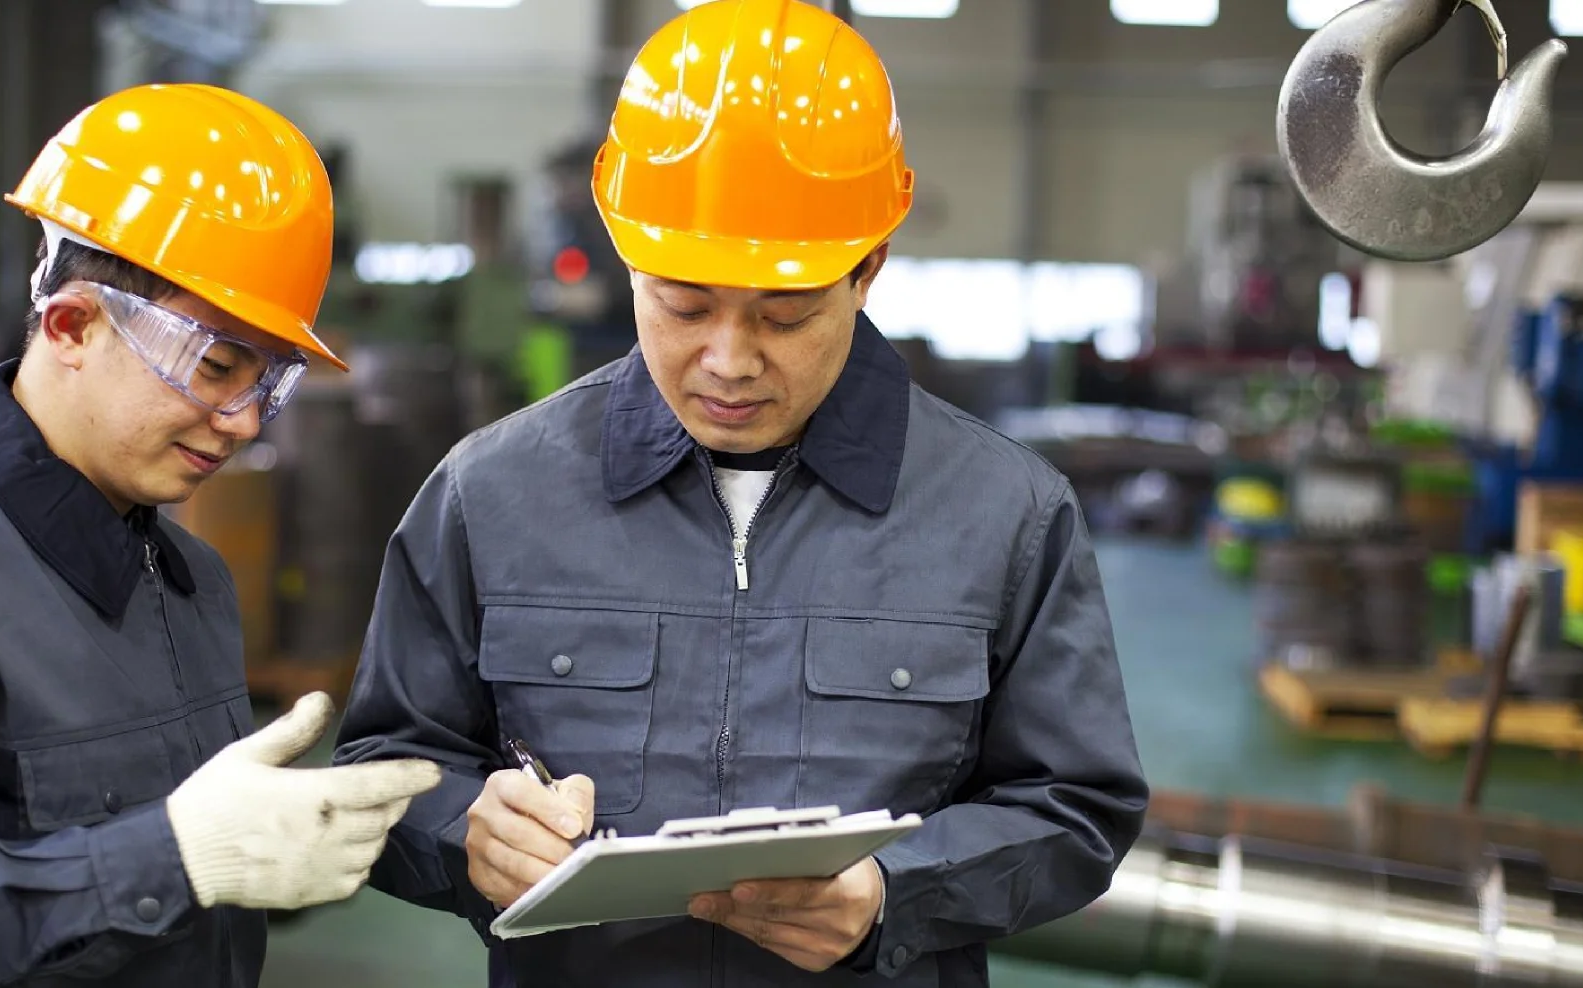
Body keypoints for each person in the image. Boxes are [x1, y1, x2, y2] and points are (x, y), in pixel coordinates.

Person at [332, 2, 1149, 985]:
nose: (727, 360)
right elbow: (385, 766)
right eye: (681, 303)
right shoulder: (490, 492)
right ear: (628, 258)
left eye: (786, 313)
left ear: (867, 271)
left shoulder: (1007, 513)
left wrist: (899, 890)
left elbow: (1076, 805)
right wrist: (463, 830)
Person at [0, 83, 441, 988]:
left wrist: (276, 850)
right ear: (71, 324)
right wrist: (174, 859)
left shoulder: (188, 581)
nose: (245, 423)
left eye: (268, 383)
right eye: (215, 366)